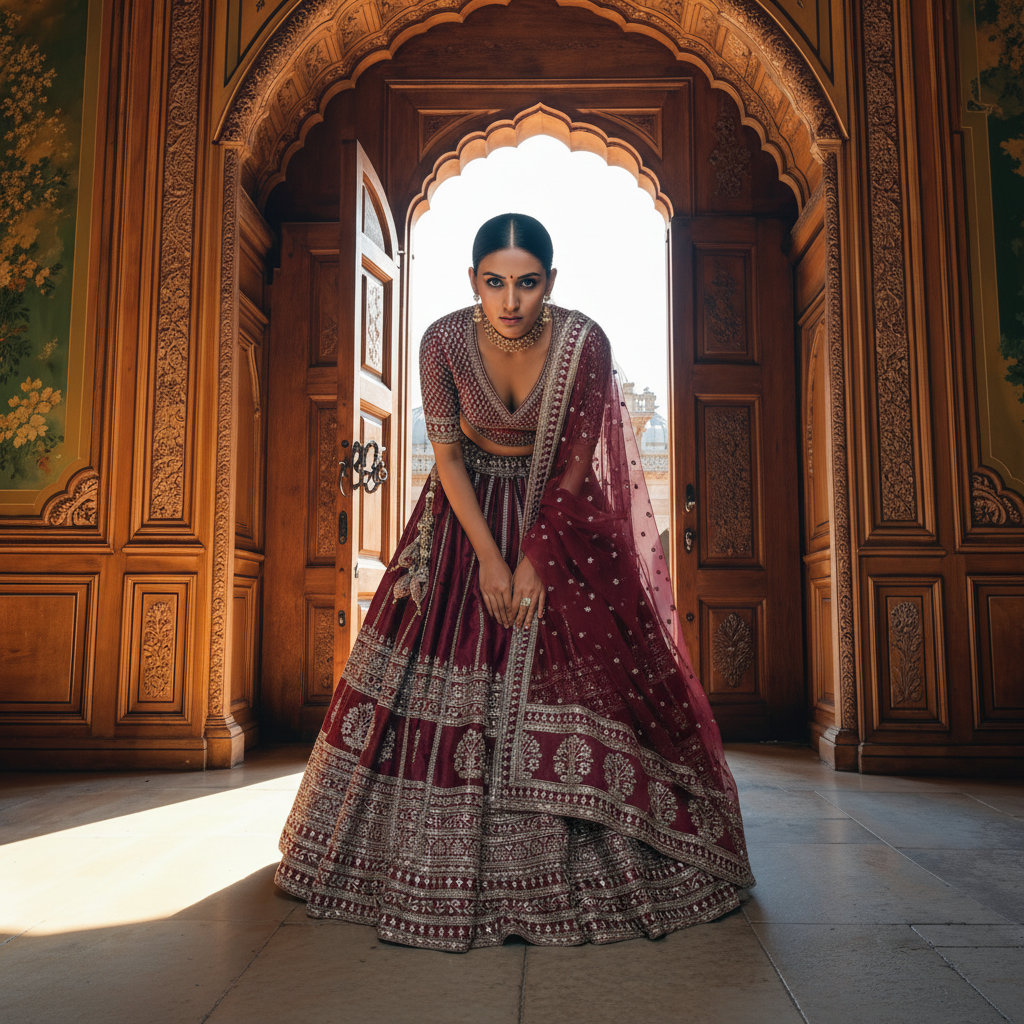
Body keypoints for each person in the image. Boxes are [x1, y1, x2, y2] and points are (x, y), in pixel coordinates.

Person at [275, 213, 754, 951]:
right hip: (462, 522)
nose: (510, 300)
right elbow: (448, 460)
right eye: (494, 282)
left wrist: (534, 558)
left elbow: (574, 465)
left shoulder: (582, 342)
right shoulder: (440, 340)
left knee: (586, 665)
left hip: (553, 517)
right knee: (440, 656)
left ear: (550, 284)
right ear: (473, 282)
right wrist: (490, 562)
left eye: (527, 283)